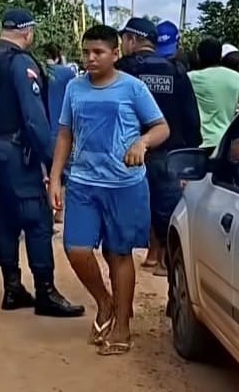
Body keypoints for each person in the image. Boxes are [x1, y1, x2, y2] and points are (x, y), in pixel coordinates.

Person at [49, 22, 170, 356]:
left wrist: (142, 143)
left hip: (124, 185)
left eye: (98, 52)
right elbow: (64, 134)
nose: (90, 58)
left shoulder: (132, 89)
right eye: (86, 52)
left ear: (115, 54)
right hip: (84, 183)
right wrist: (56, 178)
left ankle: (122, 325)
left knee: (119, 253)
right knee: (76, 249)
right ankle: (105, 302)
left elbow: (161, 128)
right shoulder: (74, 88)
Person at [0, 8, 84, 318]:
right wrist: (54, 163)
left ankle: (12, 288)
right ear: (27, 32)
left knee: (7, 219)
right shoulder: (20, 63)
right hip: (15, 152)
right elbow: (34, 120)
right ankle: (45, 292)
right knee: (37, 221)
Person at [118, 18, 201, 277]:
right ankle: (164, 260)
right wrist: (190, 152)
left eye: (123, 40)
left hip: (129, 153)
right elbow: (191, 118)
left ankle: (141, 259)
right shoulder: (176, 71)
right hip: (170, 154)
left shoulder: (122, 70)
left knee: (133, 209)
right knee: (167, 209)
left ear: (132, 39)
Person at [189, 38, 239, 154]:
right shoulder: (235, 77)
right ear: (220, 57)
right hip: (224, 141)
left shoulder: (190, 77)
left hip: (198, 143)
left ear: (199, 56)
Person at [44, 44, 77, 225]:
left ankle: (46, 215)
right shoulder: (67, 74)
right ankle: (60, 213)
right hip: (63, 133)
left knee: (45, 174)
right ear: (58, 57)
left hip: (41, 132)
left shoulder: (35, 71)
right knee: (65, 175)